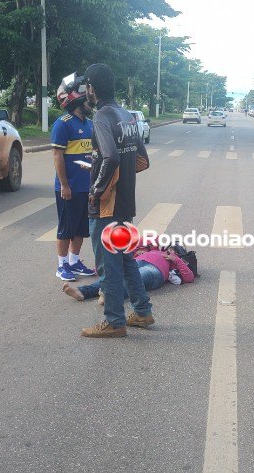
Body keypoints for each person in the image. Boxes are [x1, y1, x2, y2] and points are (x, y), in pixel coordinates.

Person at [80, 63, 154, 338]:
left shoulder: (102, 117)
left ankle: (114, 321)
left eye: (86, 86)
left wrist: (98, 188)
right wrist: (115, 175)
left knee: (107, 265)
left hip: (106, 206)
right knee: (125, 260)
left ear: (91, 88)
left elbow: (110, 157)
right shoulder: (127, 116)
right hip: (125, 203)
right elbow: (142, 160)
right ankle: (143, 312)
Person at [51, 74, 97, 281]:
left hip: (85, 187)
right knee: (66, 228)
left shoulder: (89, 124)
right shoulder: (63, 124)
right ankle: (61, 266)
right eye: (85, 98)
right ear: (75, 99)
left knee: (81, 227)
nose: (89, 102)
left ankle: (74, 261)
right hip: (69, 187)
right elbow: (57, 155)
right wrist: (64, 185)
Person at [63, 244, 194, 302]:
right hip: (136, 262)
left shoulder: (174, 262)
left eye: (174, 251)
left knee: (133, 282)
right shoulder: (154, 250)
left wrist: (175, 259)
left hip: (155, 271)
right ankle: (82, 292)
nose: (170, 251)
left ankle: (110, 297)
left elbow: (189, 278)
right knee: (112, 276)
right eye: (170, 249)